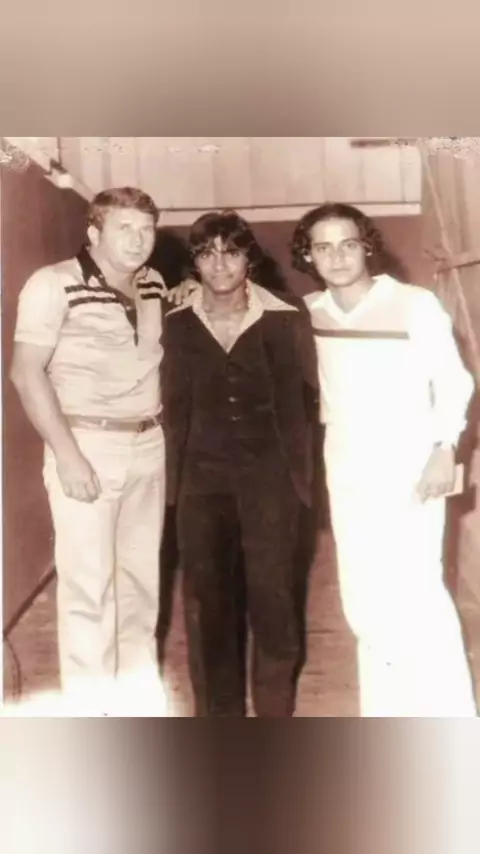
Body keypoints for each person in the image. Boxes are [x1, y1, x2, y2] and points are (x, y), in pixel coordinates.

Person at [291, 202, 478, 717]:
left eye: (347, 244)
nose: (337, 257)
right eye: (323, 247)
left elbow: (455, 381)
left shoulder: (414, 304)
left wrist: (443, 449)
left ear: (367, 247)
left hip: (410, 460)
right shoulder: (307, 313)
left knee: (416, 591)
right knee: (363, 597)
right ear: (308, 256)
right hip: (346, 464)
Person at [10, 187, 169, 714]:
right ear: (94, 231)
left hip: (149, 443)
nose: (138, 240)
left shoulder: (154, 282)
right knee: (89, 590)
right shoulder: (52, 283)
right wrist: (68, 454)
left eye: (146, 229)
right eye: (125, 228)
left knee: (141, 585)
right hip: (87, 445)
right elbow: (25, 372)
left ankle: (137, 701)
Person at [162, 209, 319, 716]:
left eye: (231, 252)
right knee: (208, 606)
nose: (220, 264)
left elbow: (317, 393)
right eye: (207, 254)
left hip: (273, 484)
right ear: (194, 263)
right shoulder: (173, 321)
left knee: (274, 602)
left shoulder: (289, 317)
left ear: (249, 258)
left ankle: (274, 715)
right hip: (200, 485)